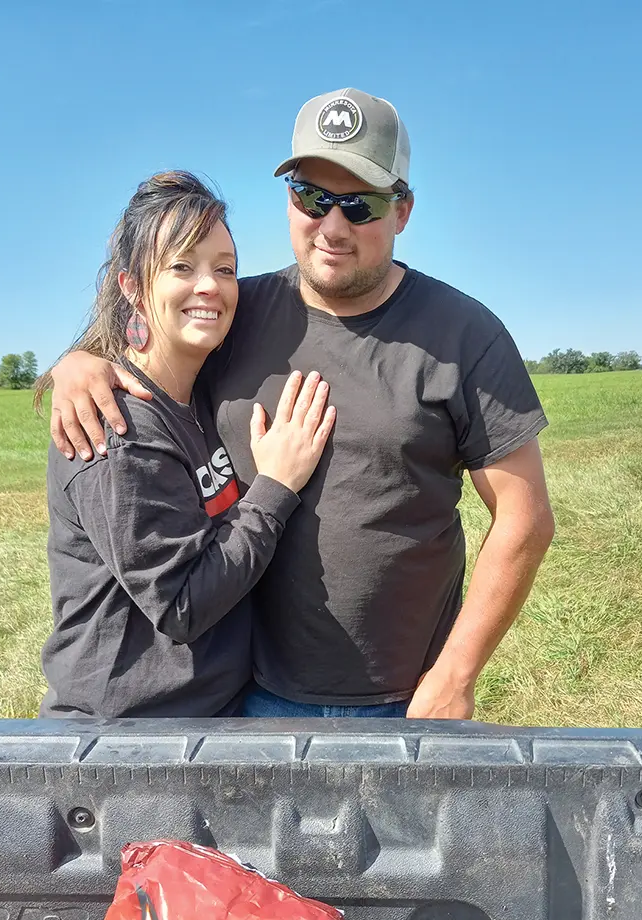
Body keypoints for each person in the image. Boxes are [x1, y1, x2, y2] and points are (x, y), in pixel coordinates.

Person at [48, 89, 555, 721]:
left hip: (402, 697)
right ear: (289, 201)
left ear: (402, 211)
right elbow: (156, 323)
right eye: (313, 198)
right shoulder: (239, 309)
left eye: (360, 204)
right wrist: (79, 364)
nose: (333, 226)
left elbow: (524, 517)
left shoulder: (464, 334)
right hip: (245, 693)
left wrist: (455, 674)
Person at [36, 171, 334, 719]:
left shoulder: (198, 396)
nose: (209, 286)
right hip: (126, 742)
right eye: (182, 266)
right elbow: (182, 604)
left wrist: (76, 359)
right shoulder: (115, 428)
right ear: (131, 286)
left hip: (207, 720)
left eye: (225, 269)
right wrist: (275, 487)